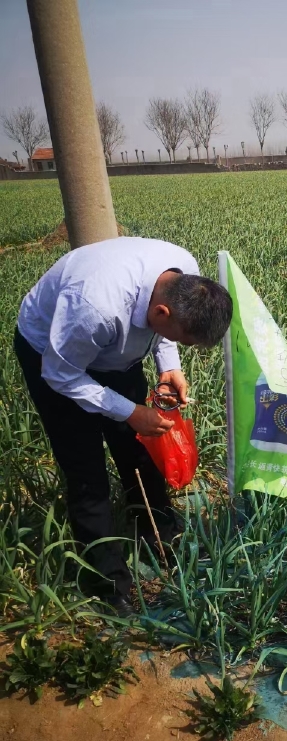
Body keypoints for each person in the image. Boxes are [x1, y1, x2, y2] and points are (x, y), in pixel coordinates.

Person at [14, 236, 233, 618]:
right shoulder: (95, 306)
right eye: (180, 338)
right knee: (86, 470)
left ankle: (161, 536)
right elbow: (61, 374)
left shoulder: (182, 273)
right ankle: (106, 585)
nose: (175, 342)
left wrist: (170, 367)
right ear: (162, 313)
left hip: (117, 352)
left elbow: (165, 330)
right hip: (54, 355)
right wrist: (130, 411)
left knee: (139, 445)